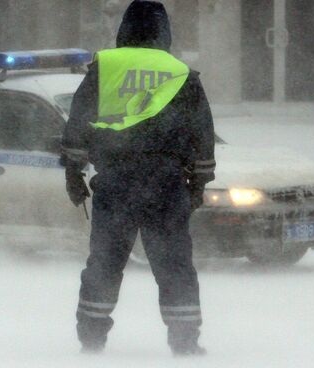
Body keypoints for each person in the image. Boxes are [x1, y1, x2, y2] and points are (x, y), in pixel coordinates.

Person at [60, 0, 216, 356]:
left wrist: (73, 172)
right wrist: (198, 184)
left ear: (124, 29)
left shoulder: (106, 67)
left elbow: (78, 121)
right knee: (175, 265)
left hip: (116, 182)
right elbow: (202, 134)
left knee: (105, 262)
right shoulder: (181, 73)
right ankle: (185, 343)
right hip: (167, 184)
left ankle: (92, 340)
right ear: (165, 33)